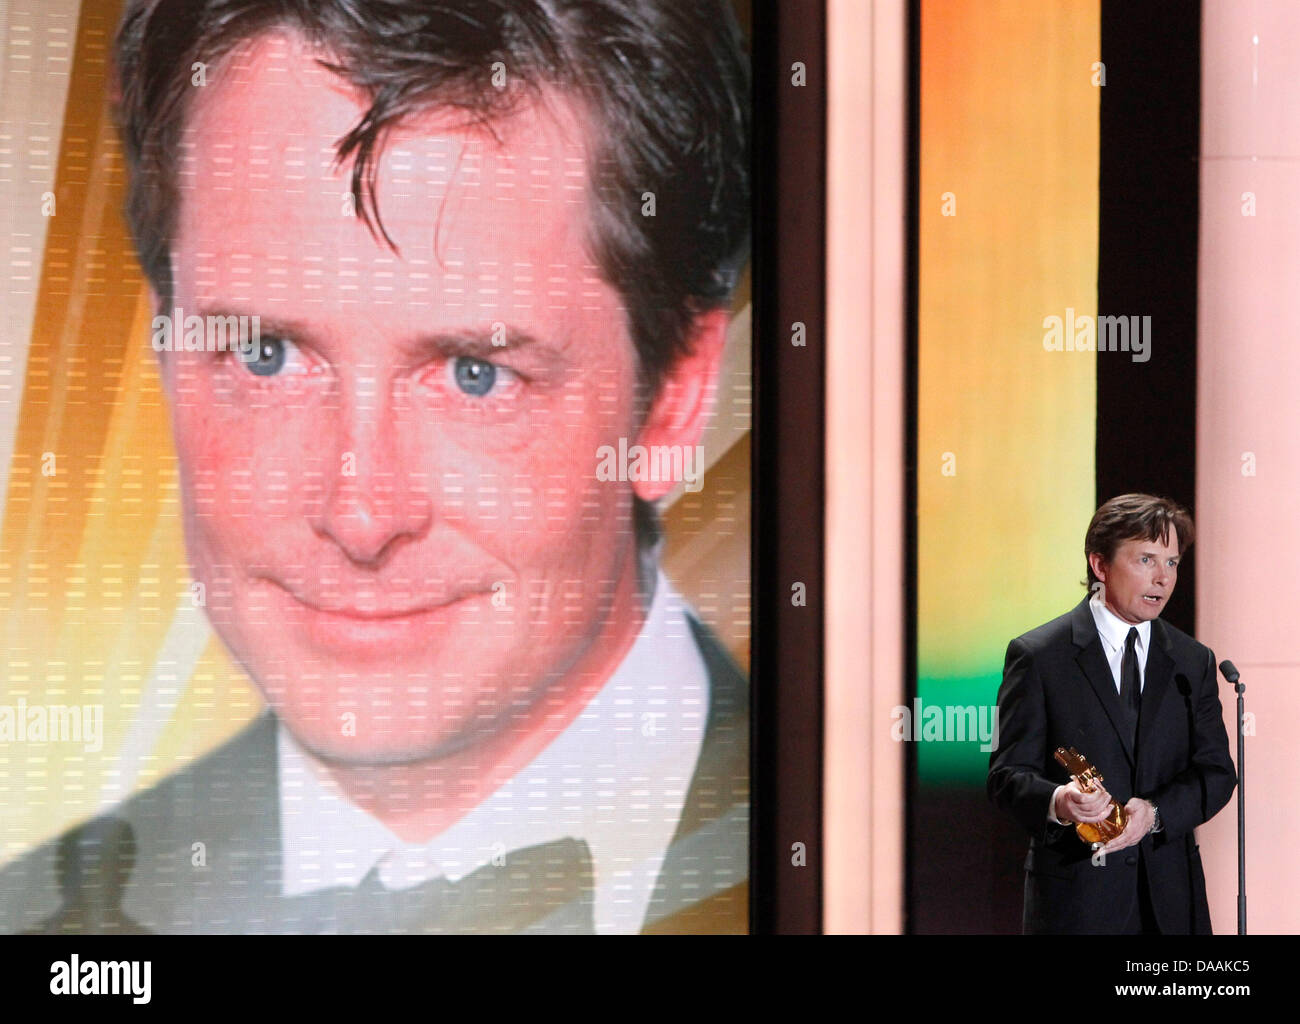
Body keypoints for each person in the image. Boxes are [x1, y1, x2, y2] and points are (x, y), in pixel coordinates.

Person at [0, 0, 750, 934]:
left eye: (476, 376)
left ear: (675, 394)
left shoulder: (894, 858)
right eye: (266, 354)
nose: (359, 515)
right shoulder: (43, 924)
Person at [988, 494, 1236, 934]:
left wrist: (1154, 814)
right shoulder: (1041, 656)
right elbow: (1008, 776)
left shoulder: (1192, 661)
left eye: (1173, 562)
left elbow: (1215, 773)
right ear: (1100, 566)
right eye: (1146, 559)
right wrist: (1060, 802)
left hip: (1170, 903)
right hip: (1078, 902)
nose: (1163, 577)